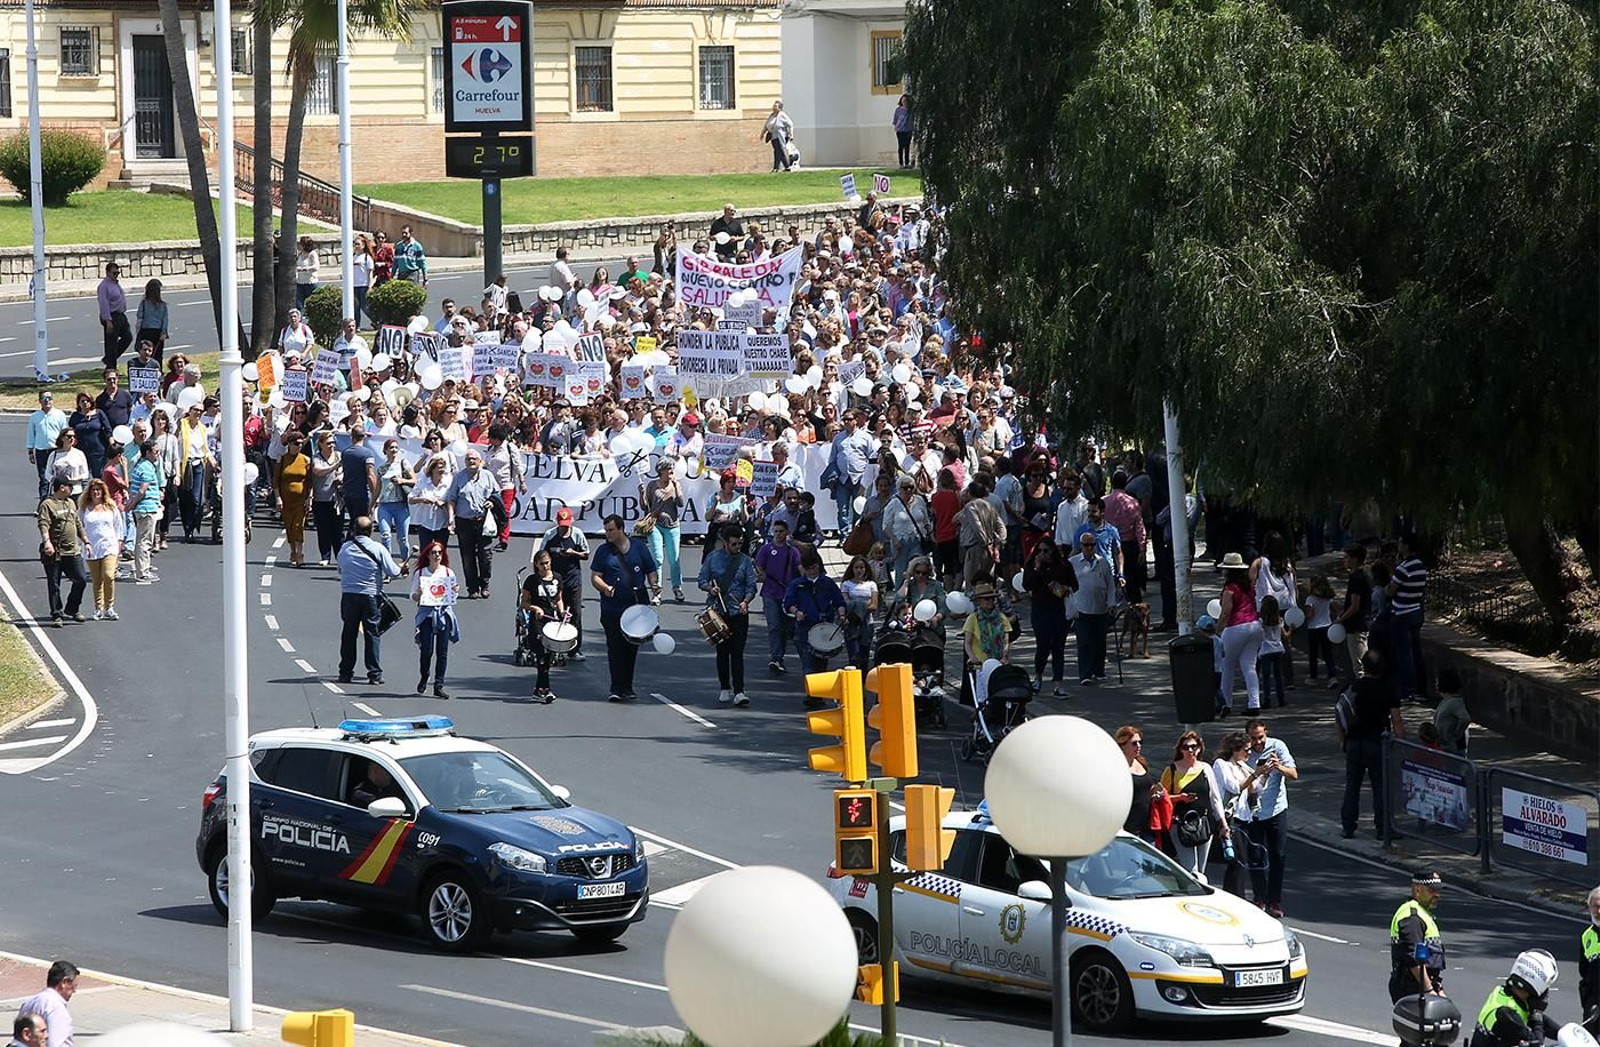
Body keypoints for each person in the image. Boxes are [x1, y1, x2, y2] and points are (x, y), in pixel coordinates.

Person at [591, 513, 660, 703]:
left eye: (611, 530)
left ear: (621, 529)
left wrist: (654, 584)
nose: (608, 534)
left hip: (635, 607)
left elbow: (651, 570)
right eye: (606, 530)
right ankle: (616, 687)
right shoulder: (604, 551)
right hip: (612, 608)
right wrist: (605, 588)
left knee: (631, 648)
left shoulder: (639, 548)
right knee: (615, 647)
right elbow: (595, 576)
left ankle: (627, 686)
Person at [1339, 649, 1405, 839]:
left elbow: (1339, 714)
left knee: (1352, 785)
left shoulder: (1352, 686)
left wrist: (1343, 741)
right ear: (1382, 669)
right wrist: (1401, 744)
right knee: (1380, 786)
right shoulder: (1388, 688)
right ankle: (1383, 829)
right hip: (1377, 743)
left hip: (1354, 741)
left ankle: (1348, 826)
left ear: (1365, 666)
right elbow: (1397, 719)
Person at [335, 515, 405, 685]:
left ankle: (345, 672)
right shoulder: (378, 548)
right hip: (370, 596)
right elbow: (393, 572)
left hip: (349, 595)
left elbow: (340, 570)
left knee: (349, 633)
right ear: (371, 530)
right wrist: (403, 568)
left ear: (353, 530)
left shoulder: (345, 548)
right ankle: (374, 674)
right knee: (372, 633)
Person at [1242, 716, 1296, 917]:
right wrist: (1257, 772)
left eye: (1261, 738)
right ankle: (1259, 898)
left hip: (1276, 810)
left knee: (1277, 856)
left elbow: (1294, 774)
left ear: (1266, 733)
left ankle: (1274, 900)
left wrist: (1278, 766)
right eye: (1253, 739)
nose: (1257, 743)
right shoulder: (1245, 752)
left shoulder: (1277, 746)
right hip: (1253, 813)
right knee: (1255, 857)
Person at [698, 523, 757, 706]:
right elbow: (702, 580)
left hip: (738, 611)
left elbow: (751, 586)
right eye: (734, 544)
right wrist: (710, 588)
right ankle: (725, 687)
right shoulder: (713, 558)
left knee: (737, 652)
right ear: (725, 543)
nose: (737, 547)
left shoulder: (745, 561)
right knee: (722, 652)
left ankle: (739, 691)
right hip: (718, 611)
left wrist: (745, 602)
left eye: (740, 544)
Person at [1160, 732, 1229, 881]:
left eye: (1193, 747)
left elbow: (1215, 798)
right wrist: (1180, 798)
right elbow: (1160, 797)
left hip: (1203, 824)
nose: (1190, 750)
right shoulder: (1171, 770)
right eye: (1186, 747)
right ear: (1180, 749)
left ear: (1199, 749)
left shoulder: (1205, 769)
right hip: (1180, 825)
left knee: (1201, 872)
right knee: (1190, 871)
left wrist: (1223, 824)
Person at [1468, 951, 1563, 1047]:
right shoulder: (1507, 1016)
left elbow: (1541, 1022)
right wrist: (1537, 1016)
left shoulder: (1506, 994)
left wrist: (1565, 1035)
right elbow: (1537, 1043)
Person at [784, 546, 847, 681]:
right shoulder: (797, 584)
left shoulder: (827, 583)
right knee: (808, 664)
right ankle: (811, 695)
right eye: (808, 568)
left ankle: (817, 694)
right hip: (804, 628)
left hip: (824, 627)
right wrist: (797, 612)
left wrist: (842, 615)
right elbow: (788, 603)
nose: (812, 571)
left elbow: (839, 601)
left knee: (821, 664)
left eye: (814, 567)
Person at [1022, 539, 1076, 696]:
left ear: (1053, 551)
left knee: (1058, 647)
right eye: (1040, 551)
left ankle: (1058, 684)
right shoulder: (1032, 565)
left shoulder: (1064, 565)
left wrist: (1064, 588)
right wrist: (1037, 569)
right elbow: (1027, 585)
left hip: (1059, 610)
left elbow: (1075, 585)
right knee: (1043, 646)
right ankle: (1038, 677)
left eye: (1046, 550)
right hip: (1040, 609)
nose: (1042, 554)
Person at [445, 450, 500, 599]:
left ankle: (485, 584)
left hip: (483, 521)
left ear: (480, 461)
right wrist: (451, 518)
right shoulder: (459, 478)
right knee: (468, 556)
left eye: (474, 459)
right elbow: (451, 498)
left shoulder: (488, 476)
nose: (471, 461)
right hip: (464, 522)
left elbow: (497, 494)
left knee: (486, 555)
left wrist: (492, 502)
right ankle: (472, 588)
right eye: (468, 459)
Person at [537, 507, 590, 662]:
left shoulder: (578, 535)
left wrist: (574, 553)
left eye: (567, 525)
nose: (564, 528)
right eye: (562, 525)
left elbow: (586, 554)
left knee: (574, 613)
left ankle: (575, 649)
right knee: (553, 611)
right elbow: (540, 556)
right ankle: (553, 645)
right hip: (554, 580)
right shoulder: (550, 536)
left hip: (573, 579)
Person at [1212, 730, 1261, 896]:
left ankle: (1231, 895)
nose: (1249, 753)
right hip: (1230, 820)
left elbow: (1258, 788)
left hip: (1244, 818)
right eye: (1245, 749)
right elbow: (1234, 786)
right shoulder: (1221, 764)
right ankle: (1236, 896)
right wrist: (1255, 774)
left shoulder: (1243, 766)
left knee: (1239, 861)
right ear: (1235, 749)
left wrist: (1265, 772)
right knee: (1238, 861)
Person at [410, 540, 460, 699]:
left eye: (439, 552)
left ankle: (439, 684)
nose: (437, 555)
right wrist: (418, 592)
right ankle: (424, 676)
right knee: (426, 650)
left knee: (442, 651)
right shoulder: (420, 573)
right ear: (428, 555)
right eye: (434, 552)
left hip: (443, 613)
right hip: (427, 614)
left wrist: (455, 590)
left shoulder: (447, 572)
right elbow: (413, 596)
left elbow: (453, 594)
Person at [1216, 551, 1264, 715]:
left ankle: (1226, 703)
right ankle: (1254, 703)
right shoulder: (1248, 585)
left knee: (1227, 666)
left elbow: (1226, 613)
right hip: (1255, 625)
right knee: (1249, 666)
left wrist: (1217, 631)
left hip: (1236, 627)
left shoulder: (1230, 588)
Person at [37, 476, 88, 626]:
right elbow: (43, 524)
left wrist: (86, 540)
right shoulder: (48, 504)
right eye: (69, 486)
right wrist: (47, 542)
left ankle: (72, 608)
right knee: (54, 584)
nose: (72, 489)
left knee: (81, 580)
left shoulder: (71, 503)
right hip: (55, 552)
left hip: (72, 551)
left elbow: (77, 523)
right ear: (62, 487)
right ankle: (56, 614)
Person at [1389, 869, 1446, 1002]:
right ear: (1417, 890)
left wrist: (1438, 988)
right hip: (1412, 987)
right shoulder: (1412, 917)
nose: (1437, 894)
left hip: (1422, 985)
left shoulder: (1422, 914)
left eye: (1438, 891)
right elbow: (1413, 958)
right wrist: (1428, 990)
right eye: (1432, 890)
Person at [755, 519, 802, 673]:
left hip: (787, 594)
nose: (778, 534)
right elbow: (759, 566)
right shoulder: (766, 549)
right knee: (774, 626)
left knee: (784, 628)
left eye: (781, 531)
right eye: (775, 531)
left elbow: (800, 568)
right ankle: (775, 658)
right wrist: (761, 575)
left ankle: (779, 657)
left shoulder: (792, 551)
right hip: (769, 592)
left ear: (787, 533)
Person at [1069, 530, 1114, 685]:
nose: (1089, 548)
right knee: (1085, 642)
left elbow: (1110, 585)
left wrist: (1111, 603)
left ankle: (1099, 670)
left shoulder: (1103, 562)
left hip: (1100, 608)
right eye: (1086, 545)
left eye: (1092, 545)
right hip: (1081, 608)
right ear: (1081, 546)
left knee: (1100, 642)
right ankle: (1085, 674)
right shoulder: (1073, 562)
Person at [521, 548, 566, 703]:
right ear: (536, 565)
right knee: (541, 654)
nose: (545, 566)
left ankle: (539, 688)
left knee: (548, 657)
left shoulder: (558, 578)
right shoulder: (531, 581)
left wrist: (562, 612)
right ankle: (545, 689)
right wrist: (535, 608)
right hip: (537, 621)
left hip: (552, 620)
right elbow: (524, 603)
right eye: (542, 564)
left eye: (547, 563)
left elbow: (559, 599)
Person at [1389, 532, 1429, 702]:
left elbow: (1391, 590)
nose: (1398, 546)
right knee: (1416, 651)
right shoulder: (1420, 565)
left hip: (1402, 613)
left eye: (1400, 542)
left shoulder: (1403, 568)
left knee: (1404, 653)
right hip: (1416, 611)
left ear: (1406, 546)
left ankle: (1407, 690)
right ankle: (1421, 689)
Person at [640, 458, 687, 602]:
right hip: (655, 525)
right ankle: (656, 590)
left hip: (672, 525)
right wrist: (641, 494)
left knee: (674, 559)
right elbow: (645, 507)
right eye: (668, 468)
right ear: (661, 470)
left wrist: (677, 488)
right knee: (658, 558)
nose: (671, 471)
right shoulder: (652, 485)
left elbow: (681, 503)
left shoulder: (675, 485)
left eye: (672, 468)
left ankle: (677, 587)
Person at [79, 479, 124, 621]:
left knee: (108, 575)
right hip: (92, 547)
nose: (96, 492)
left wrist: (119, 541)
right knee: (97, 579)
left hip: (109, 546)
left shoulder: (111, 507)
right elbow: (78, 527)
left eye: (99, 490)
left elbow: (118, 526)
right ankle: (99, 608)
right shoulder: (84, 509)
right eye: (93, 490)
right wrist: (84, 542)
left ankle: (109, 606)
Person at [963, 582, 1010, 709]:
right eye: (986, 599)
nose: (990, 601)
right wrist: (972, 657)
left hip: (997, 661)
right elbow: (967, 642)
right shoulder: (973, 618)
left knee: (998, 693)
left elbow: (1006, 640)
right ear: (978, 601)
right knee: (982, 696)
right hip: (981, 663)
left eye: (992, 599)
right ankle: (981, 718)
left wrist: (1004, 656)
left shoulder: (1001, 617)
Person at [1116, 724, 1162, 847]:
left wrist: (1155, 794)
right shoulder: (1118, 768)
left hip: (1147, 828)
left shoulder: (1141, 762)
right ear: (1123, 746)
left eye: (1140, 742)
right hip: (1129, 829)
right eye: (1134, 743)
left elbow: (1145, 789)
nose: (1138, 746)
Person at [1335, 545, 1373, 690]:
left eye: (1347, 558)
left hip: (1356, 625)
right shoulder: (1362, 577)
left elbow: (1355, 605)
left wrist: (1341, 618)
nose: (1344, 560)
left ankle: (1365, 693)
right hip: (1361, 623)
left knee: (1359, 664)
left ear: (1355, 560)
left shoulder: (1357, 579)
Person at [272, 430, 312, 567]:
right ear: (289, 444)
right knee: (289, 526)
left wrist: (309, 498)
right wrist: (278, 498)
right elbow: (275, 480)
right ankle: (293, 552)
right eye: (296, 444)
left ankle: (300, 554)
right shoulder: (282, 459)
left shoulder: (306, 460)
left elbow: (309, 481)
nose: (299, 446)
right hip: (286, 499)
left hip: (301, 499)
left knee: (298, 526)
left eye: (301, 444)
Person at [16, 960, 76, 1047]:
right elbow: (54, 1044)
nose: (74, 991)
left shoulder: (28, 1003)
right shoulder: (56, 1008)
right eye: (74, 986)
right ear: (64, 982)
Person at [127, 439, 163, 583]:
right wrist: (133, 503)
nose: (157, 455)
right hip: (146, 508)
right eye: (155, 452)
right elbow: (142, 489)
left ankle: (145, 567)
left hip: (145, 507)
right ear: (147, 453)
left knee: (144, 539)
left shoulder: (142, 466)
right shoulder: (147, 467)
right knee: (145, 540)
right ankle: (142, 572)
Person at [26, 391, 70, 499]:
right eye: (44, 399)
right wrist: (30, 451)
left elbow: (65, 432)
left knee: (58, 477)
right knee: (43, 478)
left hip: (56, 450)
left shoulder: (59, 415)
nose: (47, 401)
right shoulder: (35, 417)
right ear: (40, 401)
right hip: (41, 451)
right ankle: (43, 503)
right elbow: (31, 434)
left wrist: (66, 448)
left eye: (49, 398)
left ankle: (59, 500)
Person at [376, 438, 415, 558]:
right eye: (391, 448)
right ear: (385, 450)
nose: (393, 450)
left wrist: (402, 480)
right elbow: (377, 489)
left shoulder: (403, 463)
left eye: (395, 448)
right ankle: (388, 567)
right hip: (385, 505)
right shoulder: (381, 468)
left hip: (400, 505)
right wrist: (372, 504)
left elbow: (414, 480)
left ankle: (404, 562)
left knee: (402, 539)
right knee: (385, 536)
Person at [839, 554, 879, 670]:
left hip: (867, 623)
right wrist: (864, 604)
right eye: (856, 568)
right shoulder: (846, 584)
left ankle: (864, 680)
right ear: (852, 569)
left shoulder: (871, 584)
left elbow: (874, 605)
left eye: (862, 568)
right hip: (851, 622)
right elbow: (846, 603)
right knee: (854, 655)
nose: (859, 570)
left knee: (864, 654)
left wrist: (858, 606)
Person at [309, 430, 342, 565]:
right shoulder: (316, 458)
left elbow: (343, 471)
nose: (331, 446)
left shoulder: (338, 455)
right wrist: (334, 466)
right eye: (328, 443)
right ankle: (325, 556)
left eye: (333, 443)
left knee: (338, 530)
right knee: (323, 529)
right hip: (321, 499)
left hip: (336, 500)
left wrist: (341, 476)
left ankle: (340, 557)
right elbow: (318, 471)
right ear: (321, 444)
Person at [340, 423, 381, 533]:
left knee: (353, 521)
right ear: (364, 436)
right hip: (362, 494)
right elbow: (370, 475)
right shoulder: (367, 453)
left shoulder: (345, 453)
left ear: (351, 437)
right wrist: (375, 494)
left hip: (348, 493)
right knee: (363, 524)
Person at [408, 454, 451, 553]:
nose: (442, 470)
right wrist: (422, 499)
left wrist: (443, 503)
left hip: (442, 524)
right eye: (439, 468)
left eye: (443, 468)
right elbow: (410, 499)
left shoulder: (448, 483)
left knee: (441, 553)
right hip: (425, 523)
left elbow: (452, 500)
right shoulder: (422, 482)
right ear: (432, 469)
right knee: (425, 552)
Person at [98, 261, 133, 367]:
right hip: (111, 316)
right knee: (111, 343)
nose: (116, 275)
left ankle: (109, 358)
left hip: (120, 314)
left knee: (127, 337)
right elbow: (104, 304)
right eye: (114, 273)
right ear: (107, 273)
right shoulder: (104, 286)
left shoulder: (116, 284)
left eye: (118, 273)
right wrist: (108, 320)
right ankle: (110, 366)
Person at [1433, 667, 1471, 755]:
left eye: (1437, 681)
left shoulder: (1455, 703)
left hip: (1453, 748)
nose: (1435, 684)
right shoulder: (1445, 700)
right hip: (1444, 746)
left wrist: (1455, 735)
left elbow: (1466, 719)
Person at [1580, 885, 1599, 1025]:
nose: (1599, 911)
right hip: (1594, 1003)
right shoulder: (1587, 936)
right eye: (1595, 906)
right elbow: (1583, 971)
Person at [760, 102, 795, 173]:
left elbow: (790, 124)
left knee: (779, 151)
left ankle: (778, 167)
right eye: (774, 106)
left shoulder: (782, 115)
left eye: (776, 106)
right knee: (777, 151)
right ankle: (784, 167)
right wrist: (762, 134)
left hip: (781, 136)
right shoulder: (771, 115)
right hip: (773, 136)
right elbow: (766, 125)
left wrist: (791, 134)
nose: (774, 107)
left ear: (780, 108)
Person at [294, 235, 320, 309]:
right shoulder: (300, 253)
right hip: (300, 283)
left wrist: (303, 269)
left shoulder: (312, 254)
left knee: (312, 305)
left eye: (301, 244)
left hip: (310, 283)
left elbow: (316, 267)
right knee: (299, 305)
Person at [892, 94, 913, 168]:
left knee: (907, 146)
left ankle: (907, 163)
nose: (904, 102)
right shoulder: (898, 110)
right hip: (900, 130)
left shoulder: (911, 110)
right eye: (903, 100)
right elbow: (895, 119)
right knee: (901, 146)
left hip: (908, 129)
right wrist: (895, 127)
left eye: (906, 100)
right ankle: (901, 163)